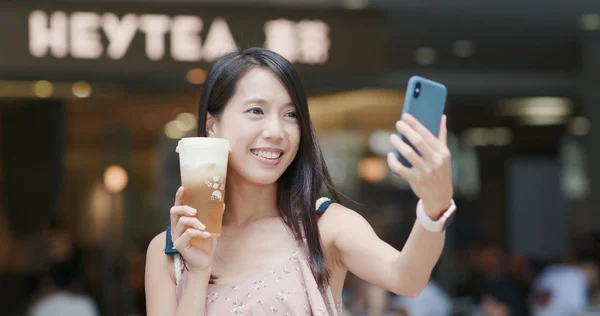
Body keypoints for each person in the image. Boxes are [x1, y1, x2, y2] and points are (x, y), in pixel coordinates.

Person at [145, 48, 456, 316]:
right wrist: (198, 273)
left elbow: (407, 279)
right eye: (256, 110)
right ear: (212, 127)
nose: (276, 131)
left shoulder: (323, 226)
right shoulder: (170, 250)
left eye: (291, 115)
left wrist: (435, 205)